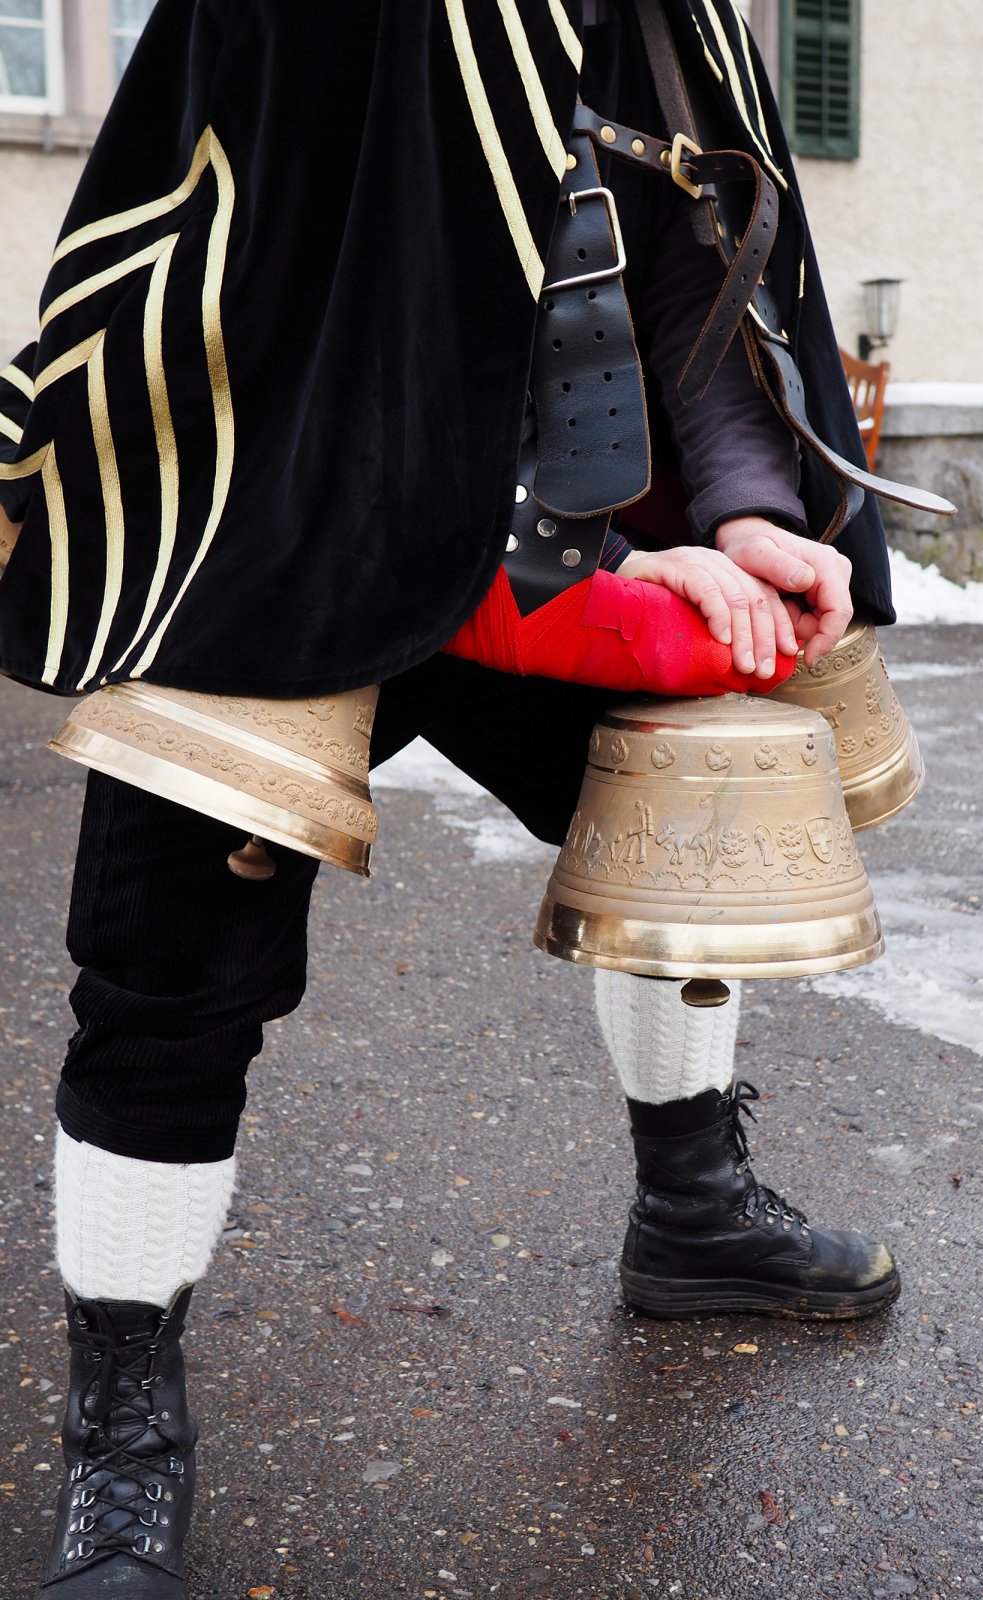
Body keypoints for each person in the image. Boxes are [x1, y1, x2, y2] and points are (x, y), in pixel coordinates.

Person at [0, 3, 911, 1593]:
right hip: (277, 511)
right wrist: (591, 557)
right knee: (168, 957)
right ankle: (124, 1414)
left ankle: (691, 1211)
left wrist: (753, 507)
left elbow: (695, 251)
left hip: (589, 530)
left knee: (691, 806)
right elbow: (266, 273)